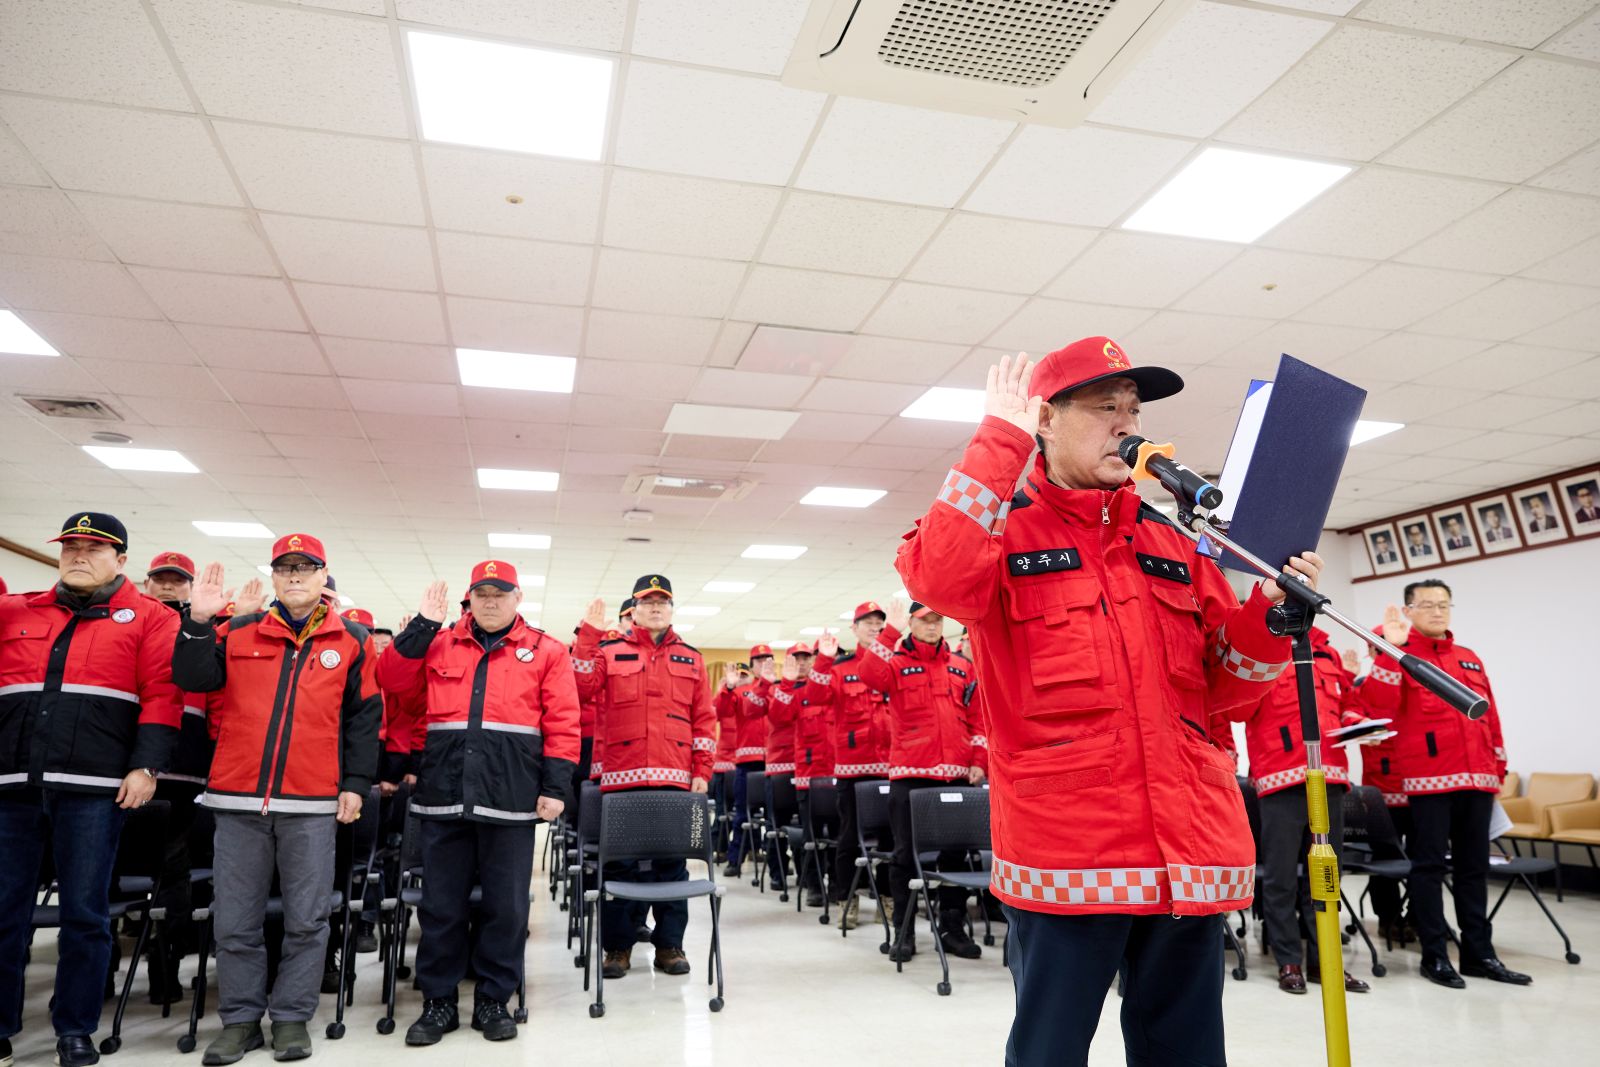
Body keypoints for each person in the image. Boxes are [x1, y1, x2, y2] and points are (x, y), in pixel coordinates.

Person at [896, 343, 1323, 1066]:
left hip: (1185, 851)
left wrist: (1271, 619)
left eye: (1133, 409)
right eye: (1104, 408)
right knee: (1050, 1051)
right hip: (1071, 855)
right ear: (1047, 421)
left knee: (1184, 1051)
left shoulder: (1173, 539)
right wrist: (998, 440)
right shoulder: (1006, 530)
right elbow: (937, 579)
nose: (1125, 425)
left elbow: (1229, 689)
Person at [172, 534, 381, 1065]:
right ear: (273, 577)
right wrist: (197, 623)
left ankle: (291, 1018)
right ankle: (240, 1021)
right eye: (284, 568)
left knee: (307, 920)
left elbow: (363, 719)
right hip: (238, 799)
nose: (293, 576)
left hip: (310, 803)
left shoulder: (353, 639)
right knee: (235, 919)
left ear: (322, 576)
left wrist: (354, 784)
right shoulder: (239, 630)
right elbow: (192, 678)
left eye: (304, 568)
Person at [0, 513, 182, 1067]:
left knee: (85, 913)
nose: (79, 555)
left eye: (94, 548)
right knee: (4, 911)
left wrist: (146, 767)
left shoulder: (149, 618)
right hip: (13, 783)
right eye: (70, 547)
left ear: (121, 560)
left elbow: (162, 696)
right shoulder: (16, 611)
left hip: (94, 787)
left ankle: (74, 1028)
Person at [377, 560, 579, 1045]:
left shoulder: (547, 651)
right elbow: (391, 680)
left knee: (506, 909)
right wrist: (422, 625)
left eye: (500, 593)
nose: (491, 601)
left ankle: (493, 998)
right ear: (469, 598)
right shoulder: (439, 642)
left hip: (510, 800)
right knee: (440, 906)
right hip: (443, 795)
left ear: (517, 598)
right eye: (482, 593)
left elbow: (564, 723)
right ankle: (438, 1001)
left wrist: (554, 789)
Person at [1359, 580, 1528, 988]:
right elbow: (1377, 709)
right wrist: (1389, 652)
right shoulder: (1400, 654)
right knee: (1429, 868)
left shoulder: (1469, 657)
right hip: (1428, 781)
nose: (1438, 611)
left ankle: (1479, 954)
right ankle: (1434, 956)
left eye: (1444, 604)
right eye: (1428, 605)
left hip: (1479, 778)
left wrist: (1498, 767)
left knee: (1473, 869)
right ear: (1409, 610)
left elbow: (1491, 717)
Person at [572, 576, 714, 980]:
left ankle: (670, 945)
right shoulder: (608, 650)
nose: (655, 607)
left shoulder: (691, 656)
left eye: (662, 602)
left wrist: (702, 769)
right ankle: (617, 948)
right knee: (620, 868)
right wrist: (588, 637)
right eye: (646, 601)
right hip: (622, 779)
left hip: (675, 781)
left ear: (671, 610)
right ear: (633, 610)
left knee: (673, 868)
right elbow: (580, 688)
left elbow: (704, 719)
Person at [851, 601, 987, 964]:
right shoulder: (895, 663)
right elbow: (868, 674)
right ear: (912, 622)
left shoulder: (962, 666)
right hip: (910, 776)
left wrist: (978, 761)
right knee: (904, 858)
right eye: (924, 619)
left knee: (956, 858)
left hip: (957, 774)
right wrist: (890, 631)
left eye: (937, 619)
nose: (932, 625)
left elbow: (978, 720)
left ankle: (952, 928)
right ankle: (904, 931)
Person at [1240, 627, 1369, 995]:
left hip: (1328, 778)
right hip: (1280, 779)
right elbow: (1240, 708)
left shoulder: (1327, 654)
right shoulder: (1262, 648)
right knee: (1280, 878)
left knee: (1326, 877)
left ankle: (1324, 961)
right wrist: (1255, 658)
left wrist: (1358, 724)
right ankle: (1288, 961)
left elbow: (1349, 706)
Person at [805, 602, 893, 929]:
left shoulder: (894, 663)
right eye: (866, 623)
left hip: (890, 768)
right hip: (853, 770)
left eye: (879, 624)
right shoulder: (840, 669)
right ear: (854, 629)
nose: (874, 628)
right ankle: (847, 899)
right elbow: (814, 697)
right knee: (848, 839)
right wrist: (825, 658)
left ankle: (888, 897)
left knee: (890, 840)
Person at [717, 645, 775, 877]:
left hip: (774, 761)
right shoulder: (741, 692)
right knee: (742, 813)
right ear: (752, 666)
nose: (763, 664)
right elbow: (720, 712)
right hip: (746, 763)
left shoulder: (779, 688)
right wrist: (728, 687)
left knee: (773, 816)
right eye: (758, 661)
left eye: (767, 660)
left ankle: (774, 865)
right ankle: (734, 860)